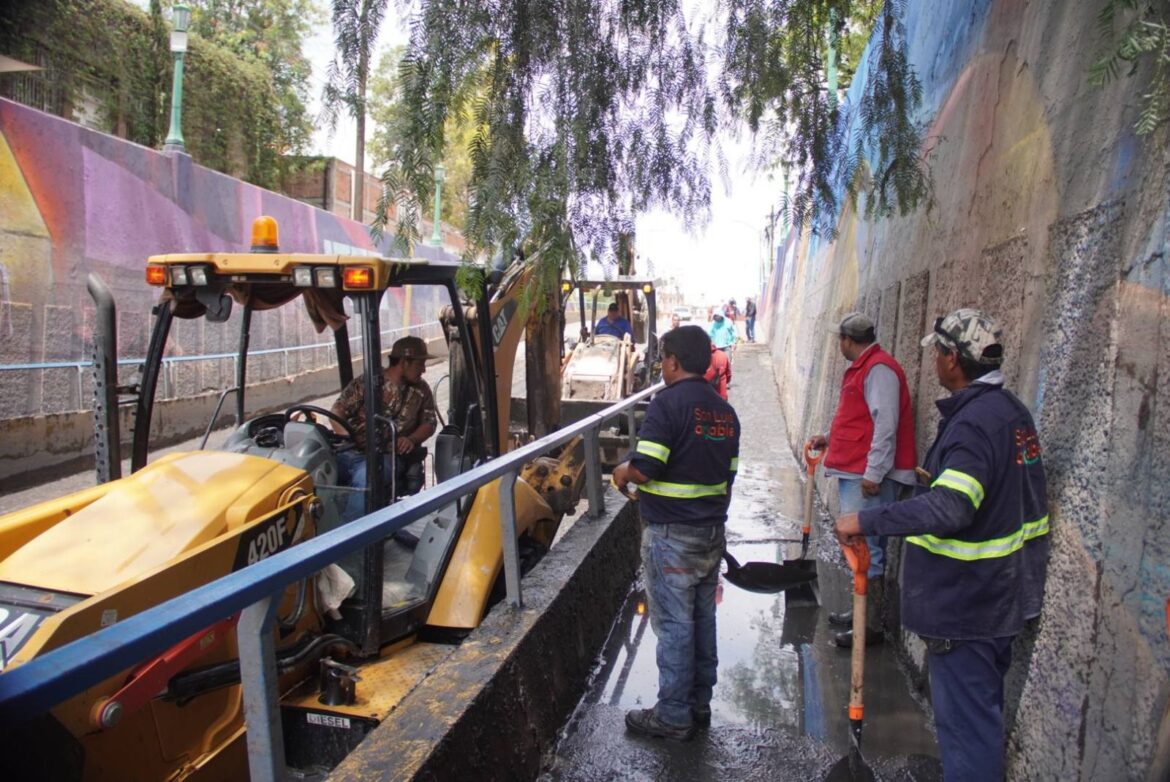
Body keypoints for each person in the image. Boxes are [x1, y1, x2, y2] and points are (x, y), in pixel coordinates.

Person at [833, 308, 1049, 782]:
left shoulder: (974, 425)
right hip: (1002, 599)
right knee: (979, 721)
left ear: (953, 359)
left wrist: (866, 520)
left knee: (967, 733)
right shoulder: (1012, 413)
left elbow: (952, 508)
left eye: (938, 355)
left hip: (968, 605)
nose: (934, 364)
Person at [614, 325, 740, 741]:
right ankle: (698, 703)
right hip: (710, 532)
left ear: (673, 361)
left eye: (663, 357)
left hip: (671, 537)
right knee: (703, 620)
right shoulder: (724, 412)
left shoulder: (667, 405)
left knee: (673, 625)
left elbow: (647, 467)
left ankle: (672, 714)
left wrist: (622, 472)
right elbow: (730, 476)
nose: (661, 364)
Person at [806, 312, 916, 648]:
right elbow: (858, 419)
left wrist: (874, 472)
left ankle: (869, 627)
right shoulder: (866, 368)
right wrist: (828, 437)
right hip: (857, 469)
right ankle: (860, 616)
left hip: (866, 474)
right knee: (861, 548)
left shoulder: (879, 370)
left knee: (866, 549)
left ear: (847, 340)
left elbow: (885, 425)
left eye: (839, 339)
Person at [331, 336, 438, 521]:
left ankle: (347, 539)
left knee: (366, 477)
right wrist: (346, 436)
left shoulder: (421, 390)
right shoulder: (369, 383)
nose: (424, 369)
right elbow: (337, 410)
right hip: (351, 451)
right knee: (316, 469)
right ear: (404, 362)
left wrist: (411, 439)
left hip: (388, 456)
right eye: (420, 364)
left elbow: (429, 423)